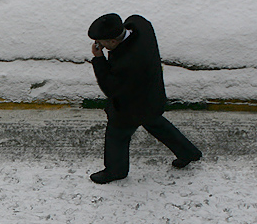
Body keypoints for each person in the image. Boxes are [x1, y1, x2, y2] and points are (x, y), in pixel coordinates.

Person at [86, 13, 201, 184]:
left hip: (131, 108)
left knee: (117, 136)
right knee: (158, 125)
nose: (99, 45)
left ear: (112, 42)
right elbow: (134, 19)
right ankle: (188, 152)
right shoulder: (141, 26)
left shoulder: (128, 61)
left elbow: (110, 88)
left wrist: (99, 59)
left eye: (101, 43)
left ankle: (116, 171)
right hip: (152, 97)